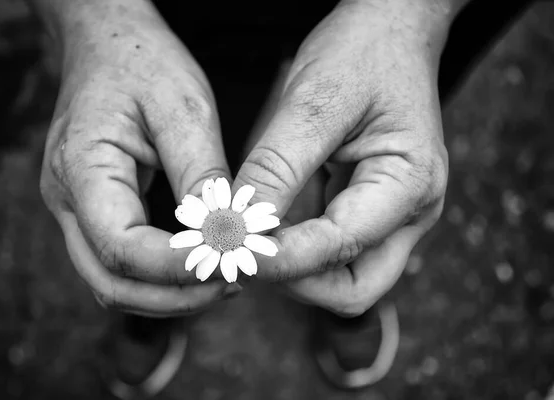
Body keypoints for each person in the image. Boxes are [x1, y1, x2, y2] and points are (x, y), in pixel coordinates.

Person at [29, 0, 534, 396]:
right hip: (192, 13)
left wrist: (414, 13)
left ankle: (349, 292)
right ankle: (148, 309)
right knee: (169, 155)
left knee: (373, 160)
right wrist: (92, 17)